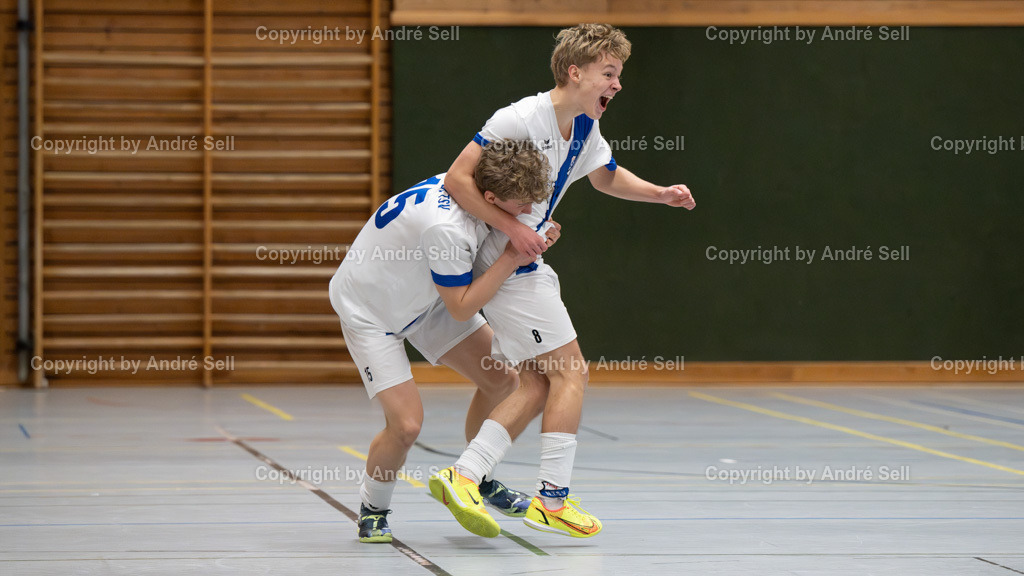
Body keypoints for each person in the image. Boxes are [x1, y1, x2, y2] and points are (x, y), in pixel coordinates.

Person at [429, 23, 696, 539]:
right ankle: (549, 499)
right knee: (572, 373)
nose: (617, 84)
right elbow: (457, 178)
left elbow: (606, 176)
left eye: (620, 75)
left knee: (536, 381)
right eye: (609, 73)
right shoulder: (520, 118)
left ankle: (465, 474)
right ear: (575, 72)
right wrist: (512, 232)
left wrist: (660, 193)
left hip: (523, 260)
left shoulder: (585, 127)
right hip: (506, 261)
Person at [329, 140, 558, 543]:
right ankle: (372, 506)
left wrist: (530, 235)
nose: (527, 212)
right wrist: (512, 257)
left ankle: (475, 475)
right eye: (521, 205)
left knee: (502, 381)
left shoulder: (471, 188)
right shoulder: (448, 229)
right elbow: (461, 307)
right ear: (490, 198)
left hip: (423, 293)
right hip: (371, 311)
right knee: (406, 425)